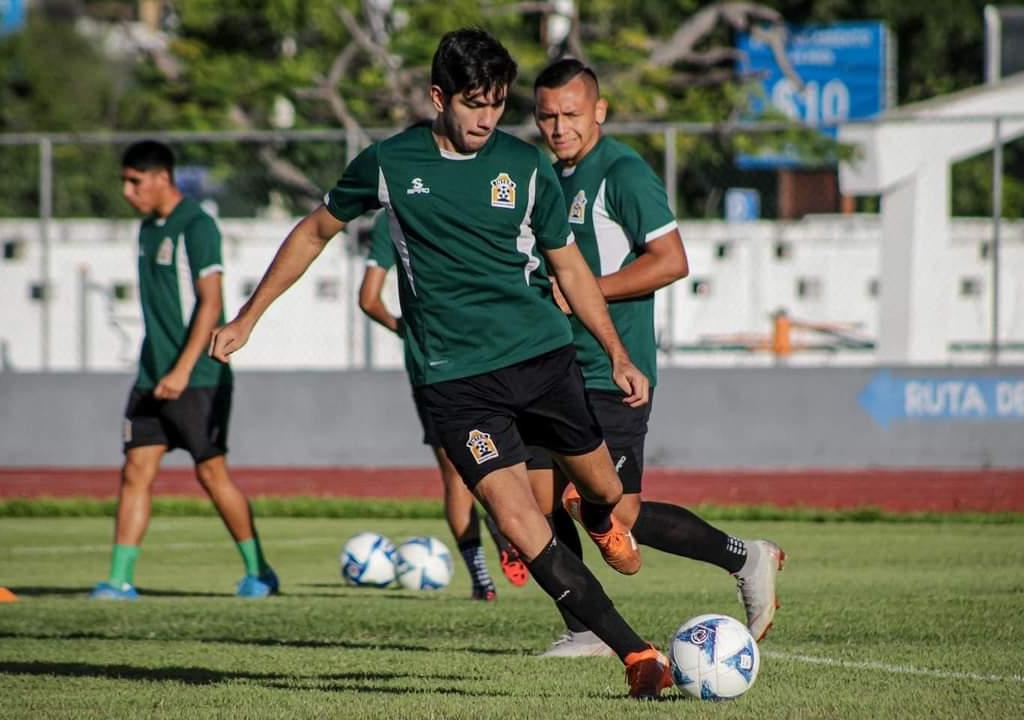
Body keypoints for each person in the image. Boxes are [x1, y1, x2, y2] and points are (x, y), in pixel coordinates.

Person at [210, 28, 672, 698]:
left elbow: (569, 266)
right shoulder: (388, 165)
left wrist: (617, 354)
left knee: (603, 491)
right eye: (473, 103)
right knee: (520, 520)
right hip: (453, 381)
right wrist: (249, 317)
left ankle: (600, 519)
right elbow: (314, 231)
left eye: (496, 103)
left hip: (542, 359)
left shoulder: (524, 166)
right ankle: (636, 656)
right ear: (438, 97)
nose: (487, 117)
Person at [531, 58, 785, 656]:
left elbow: (671, 260)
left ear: (599, 110)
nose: (559, 126)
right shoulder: (552, 177)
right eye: (547, 116)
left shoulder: (621, 172)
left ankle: (745, 559)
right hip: (552, 367)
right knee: (533, 501)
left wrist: (584, 290)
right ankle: (587, 627)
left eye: (571, 114)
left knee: (618, 510)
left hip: (608, 370)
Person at [90, 140, 278, 600]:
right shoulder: (146, 230)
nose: (127, 191)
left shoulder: (196, 225)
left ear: (161, 178)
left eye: (134, 181)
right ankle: (119, 580)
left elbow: (210, 301)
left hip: (197, 378)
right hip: (150, 376)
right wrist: (159, 372)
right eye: (124, 181)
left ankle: (259, 573)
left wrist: (181, 369)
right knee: (136, 469)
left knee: (211, 474)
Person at [357, 211, 535, 599]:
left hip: (434, 367)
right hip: (493, 354)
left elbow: (368, 299)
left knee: (457, 475)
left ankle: (481, 581)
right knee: (508, 461)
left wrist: (409, 332)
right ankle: (505, 523)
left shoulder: (393, 219)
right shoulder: (461, 207)